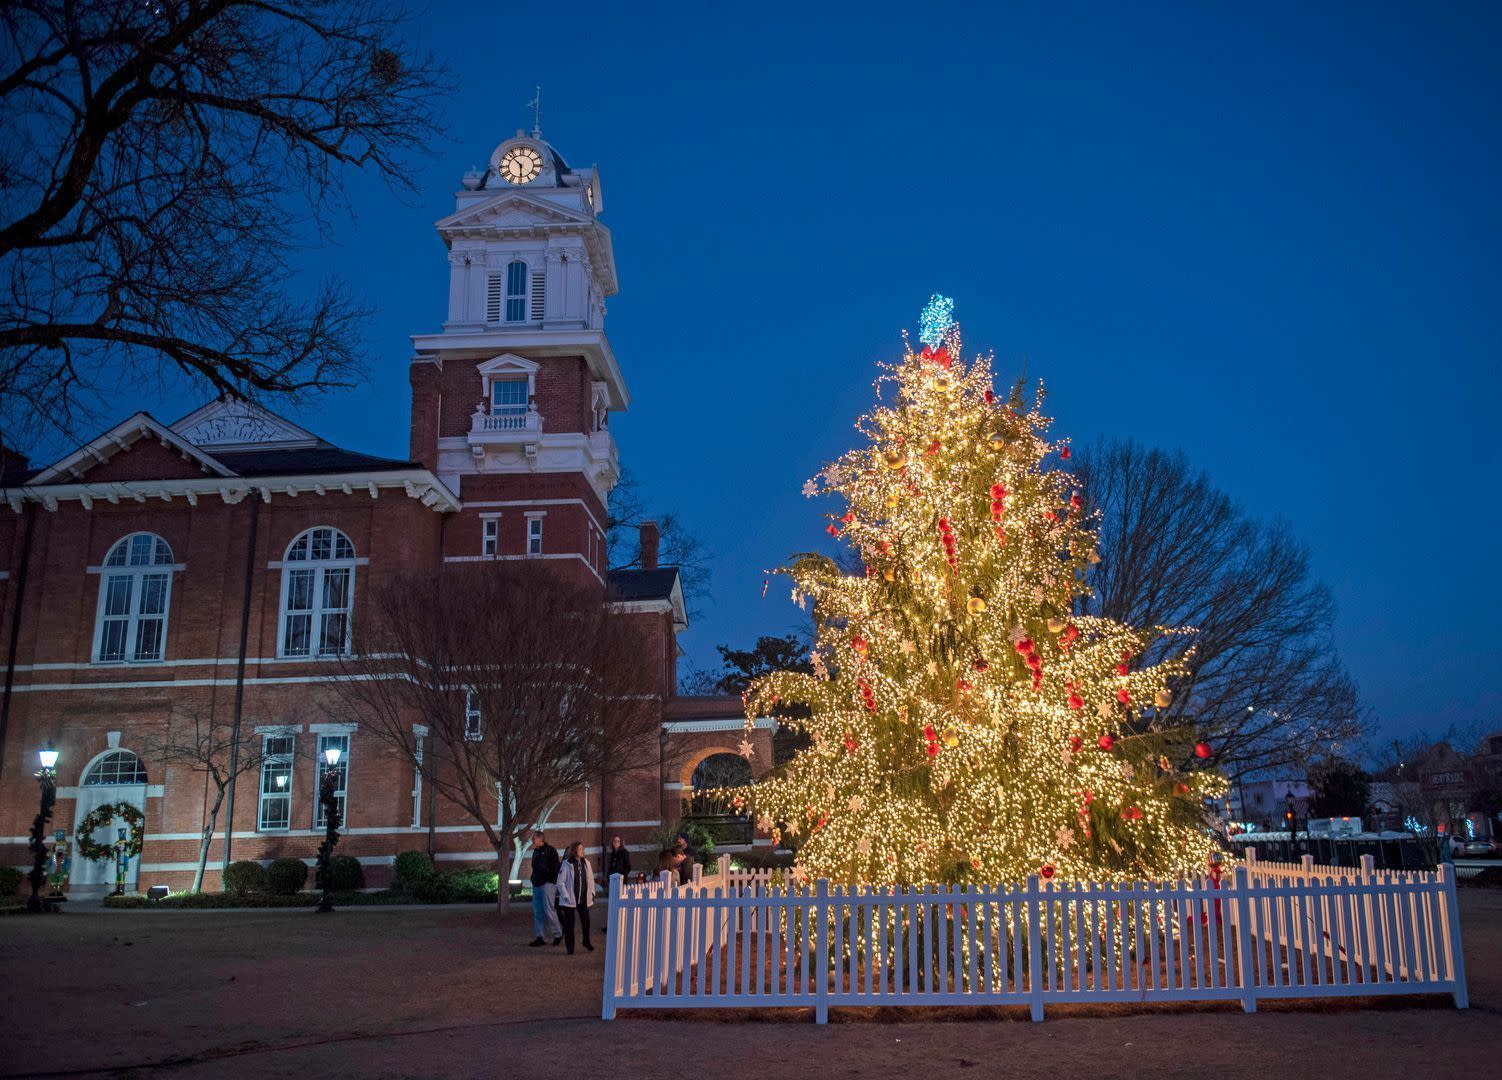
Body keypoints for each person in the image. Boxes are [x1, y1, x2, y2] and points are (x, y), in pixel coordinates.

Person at [554, 841, 595, 954]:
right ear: (574, 851)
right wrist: (566, 895)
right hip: (570, 900)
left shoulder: (586, 863)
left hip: (582, 898)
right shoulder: (567, 864)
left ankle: (586, 941)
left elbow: (590, 880)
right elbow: (560, 882)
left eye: (583, 849)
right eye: (580, 849)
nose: (582, 851)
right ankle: (570, 948)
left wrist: (592, 893)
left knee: (586, 921)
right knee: (569, 925)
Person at [527, 831, 562, 947]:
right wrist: (533, 878)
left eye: (534, 838)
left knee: (548, 910)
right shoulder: (536, 852)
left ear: (540, 839)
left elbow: (555, 867)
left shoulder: (550, 850)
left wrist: (550, 880)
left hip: (547, 884)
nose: (533, 840)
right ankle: (540, 936)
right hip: (537, 884)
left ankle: (557, 934)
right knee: (538, 912)